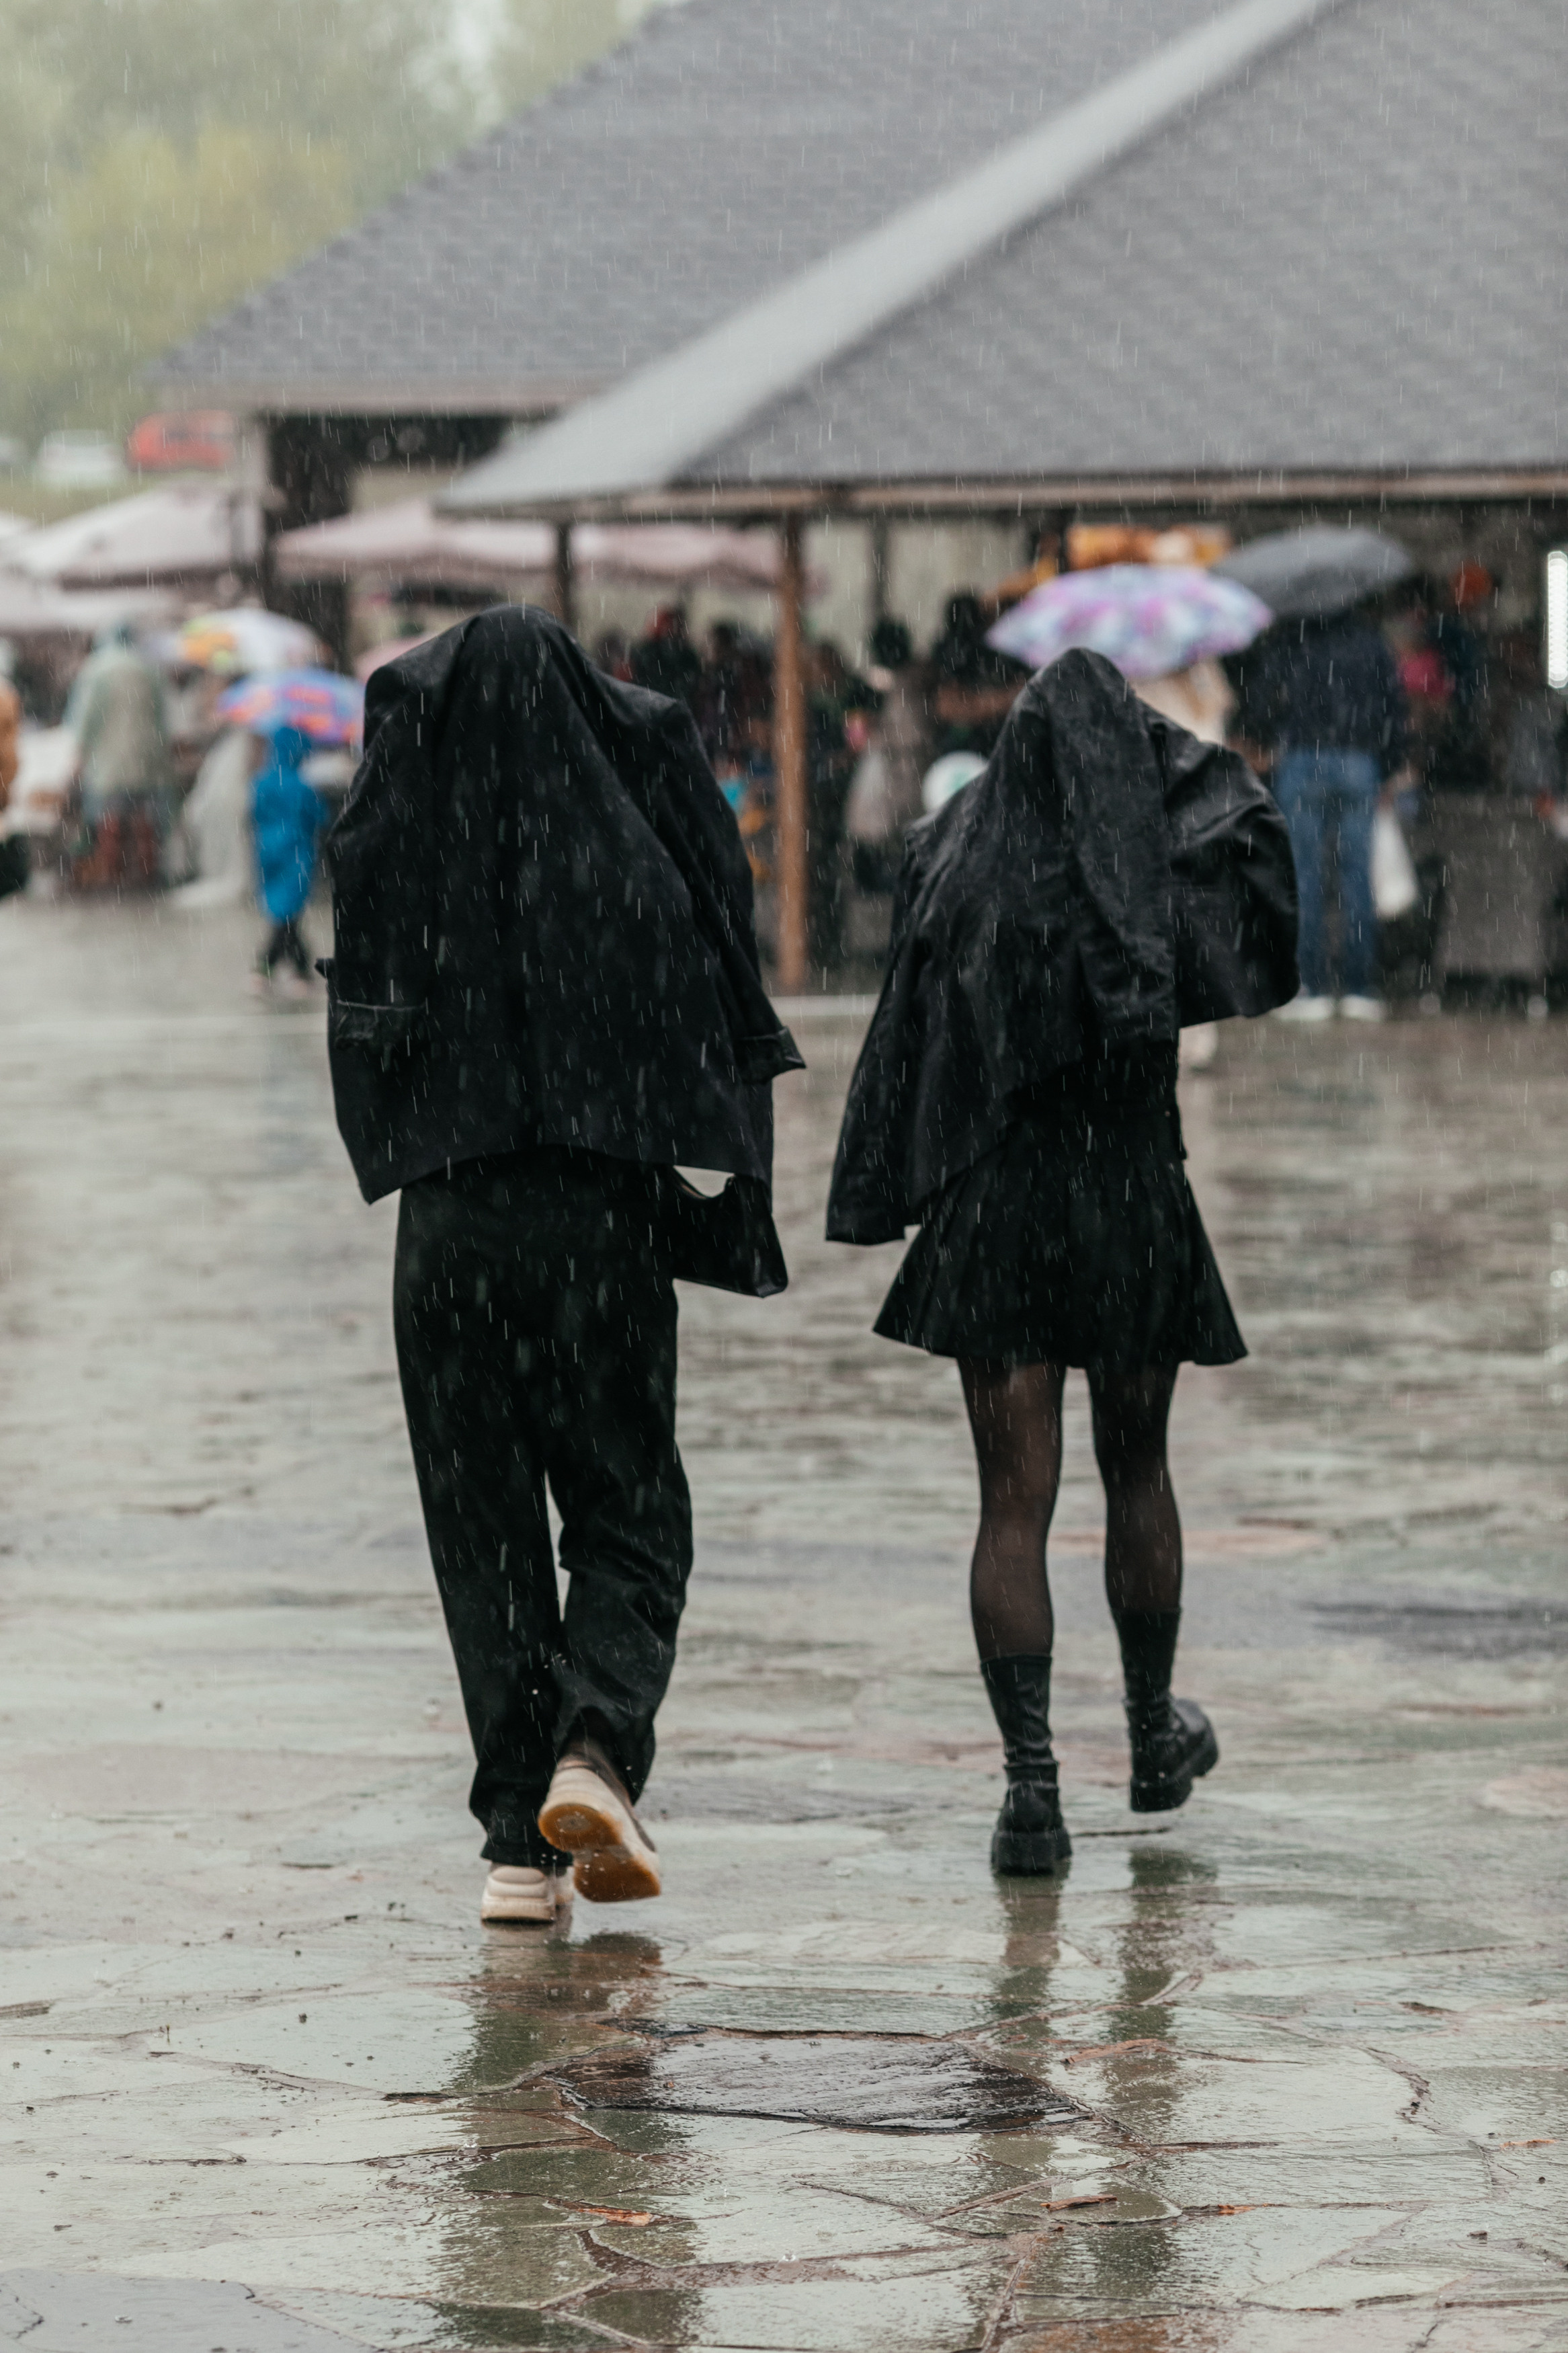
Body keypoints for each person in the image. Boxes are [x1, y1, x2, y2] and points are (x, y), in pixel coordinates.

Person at [323, 606, 802, 1925]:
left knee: (481, 1532)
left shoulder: (410, 820)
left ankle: (513, 1854)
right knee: (628, 1502)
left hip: (450, 1217)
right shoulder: (633, 815)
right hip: (599, 1209)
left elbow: (357, 989)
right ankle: (593, 1748)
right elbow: (720, 961)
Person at [827, 651, 1297, 1875]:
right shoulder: (1165, 859)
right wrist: (1164, 755)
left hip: (999, 1207)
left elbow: (907, 1040)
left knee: (1010, 1504)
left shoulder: (957, 856)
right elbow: (1256, 857)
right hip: (1133, 1198)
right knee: (1136, 1470)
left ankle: (1029, 1794)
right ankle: (1150, 1736)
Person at [1253, 606, 1411, 1020]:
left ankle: (1310, 987)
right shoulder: (1371, 643)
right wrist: (1390, 766)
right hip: (1360, 763)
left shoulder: (1292, 640)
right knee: (1357, 875)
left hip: (1303, 761)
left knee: (1304, 876)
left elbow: (1264, 699)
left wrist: (1263, 739)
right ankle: (1359, 988)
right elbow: (1394, 708)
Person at [65, 625, 173, 888]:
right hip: (147, 759)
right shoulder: (148, 668)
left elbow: (83, 721)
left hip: (108, 763)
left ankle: (114, 879)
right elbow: (164, 718)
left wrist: (77, 761)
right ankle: (149, 877)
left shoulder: (96, 670)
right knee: (145, 822)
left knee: (109, 822)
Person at [249, 722, 323, 994]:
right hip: (296, 856)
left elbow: (253, 816)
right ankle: (281, 968)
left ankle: (282, 968)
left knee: (283, 914)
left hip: (268, 856)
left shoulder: (261, 783)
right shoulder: (303, 787)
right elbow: (318, 818)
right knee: (289, 915)